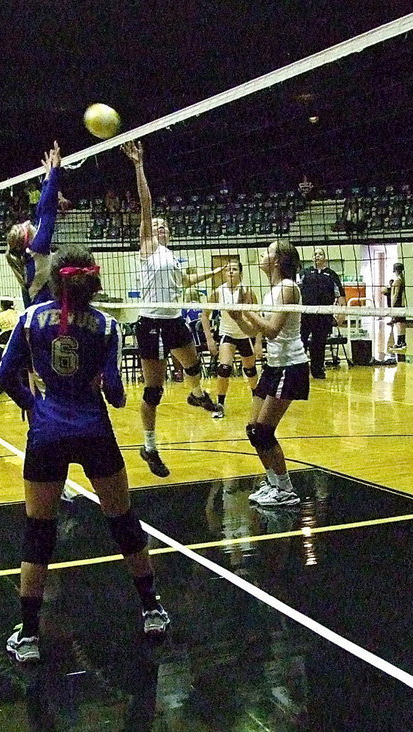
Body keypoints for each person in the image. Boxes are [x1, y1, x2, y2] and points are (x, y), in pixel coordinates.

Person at [0, 244, 170, 663]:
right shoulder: (107, 326)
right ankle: (150, 609)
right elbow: (114, 394)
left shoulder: (29, 320)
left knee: (39, 531)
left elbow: (6, 377)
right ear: (92, 280)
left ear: (55, 281)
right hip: (94, 431)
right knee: (122, 520)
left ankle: (30, 635)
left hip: (46, 433)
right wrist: (111, 390)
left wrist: (35, 404)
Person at [122, 140, 224, 478]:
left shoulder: (173, 257)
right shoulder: (148, 247)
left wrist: (214, 273)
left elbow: (185, 282)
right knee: (154, 390)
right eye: (156, 225)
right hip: (150, 321)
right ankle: (149, 446)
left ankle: (196, 395)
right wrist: (139, 164)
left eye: (165, 226)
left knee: (195, 367)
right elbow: (146, 204)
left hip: (175, 320)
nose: (160, 228)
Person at [229, 240, 309, 507]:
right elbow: (257, 332)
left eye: (267, 252)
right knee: (253, 429)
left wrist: (248, 311)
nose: (262, 256)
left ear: (277, 261)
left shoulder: (288, 288)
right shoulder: (272, 290)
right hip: (274, 366)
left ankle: (286, 489)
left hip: (290, 365)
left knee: (264, 430)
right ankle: (273, 483)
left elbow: (272, 330)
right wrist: (239, 318)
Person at [201, 258, 260, 419]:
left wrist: (259, 342)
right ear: (224, 274)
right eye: (228, 270)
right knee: (224, 369)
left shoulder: (248, 291)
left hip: (245, 335)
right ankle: (220, 405)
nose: (231, 272)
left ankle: (257, 401)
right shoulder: (218, 292)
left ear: (240, 272)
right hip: (227, 334)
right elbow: (204, 316)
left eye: (234, 269)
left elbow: (258, 317)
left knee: (250, 370)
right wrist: (210, 340)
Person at [5, 141, 61, 308]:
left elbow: (41, 210)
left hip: (36, 314)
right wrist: (56, 172)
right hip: (41, 316)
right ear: (29, 239)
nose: (28, 221)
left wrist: (47, 179)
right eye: (25, 225)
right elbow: (48, 210)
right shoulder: (37, 249)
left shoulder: (31, 252)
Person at [299, 246, 345, 379]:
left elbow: (340, 296)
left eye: (320, 254)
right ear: (312, 257)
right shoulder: (304, 273)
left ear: (325, 258)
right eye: (315, 254)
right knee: (301, 342)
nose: (318, 256)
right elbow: (296, 292)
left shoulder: (331, 274)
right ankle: (301, 372)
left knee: (319, 344)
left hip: (324, 316)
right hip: (306, 315)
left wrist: (341, 314)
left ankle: (317, 371)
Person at [389, 262, 407, 350]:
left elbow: (395, 294)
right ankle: (403, 342)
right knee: (402, 323)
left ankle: (399, 343)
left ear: (395, 270)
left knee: (398, 323)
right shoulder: (402, 279)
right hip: (402, 304)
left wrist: (392, 305)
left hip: (397, 304)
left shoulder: (397, 281)